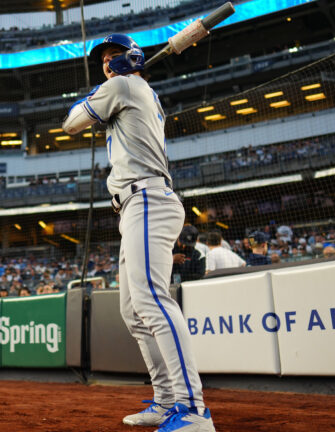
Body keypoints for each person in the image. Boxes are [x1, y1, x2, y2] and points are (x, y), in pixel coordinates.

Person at [63, 34, 214, 432]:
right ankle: (166, 401)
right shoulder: (131, 88)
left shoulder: (126, 85)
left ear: (133, 58)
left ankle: (193, 408)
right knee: (133, 311)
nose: (108, 63)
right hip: (135, 205)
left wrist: (101, 87)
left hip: (147, 198)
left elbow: (71, 123)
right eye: (103, 60)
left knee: (152, 301)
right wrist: (106, 84)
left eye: (114, 56)